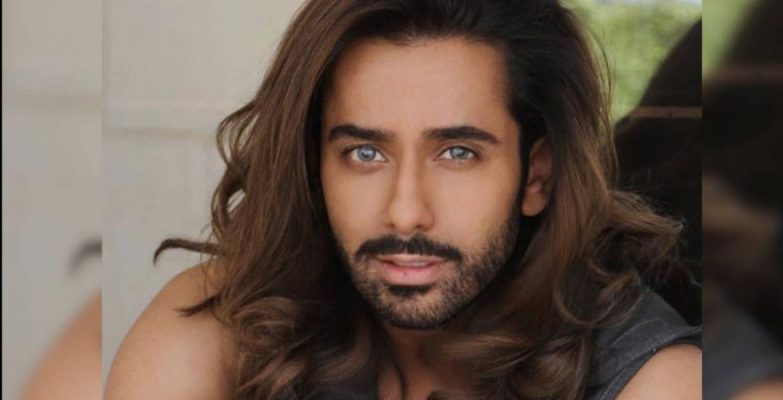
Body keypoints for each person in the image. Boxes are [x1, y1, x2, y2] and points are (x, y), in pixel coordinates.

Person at [106, 1, 701, 398]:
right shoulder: (224, 323)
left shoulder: (659, 380)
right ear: (314, 168)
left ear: (535, 178)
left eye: (458, 153)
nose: (406, 212)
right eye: (365, 153)